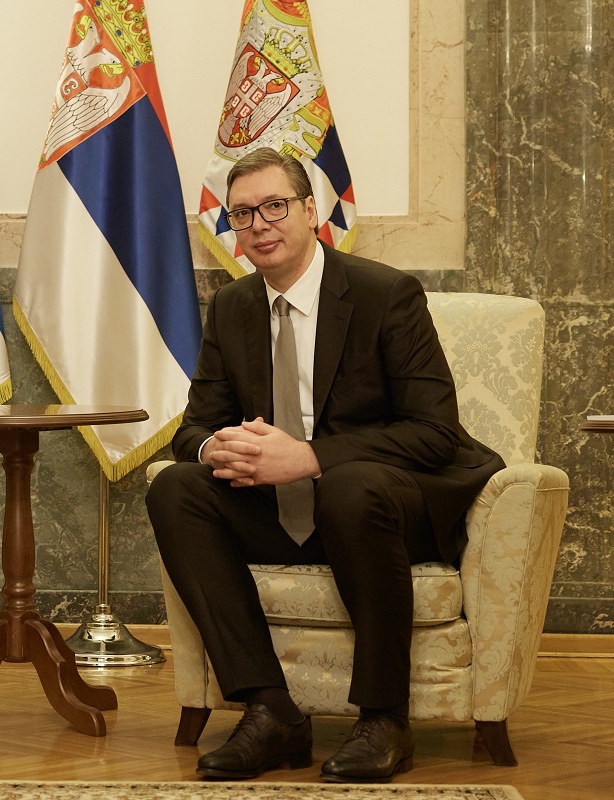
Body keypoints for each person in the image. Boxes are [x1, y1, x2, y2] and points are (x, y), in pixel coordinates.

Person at [147, 148, 504, 783]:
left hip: (385, 511)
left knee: (349, 485)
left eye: (274, 206)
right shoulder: (232, 307)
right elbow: (194, 428)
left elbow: (434, 433)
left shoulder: (384, 294)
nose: (259, 224)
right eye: (242, 213)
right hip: (285, 511)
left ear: (312, 211)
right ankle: (270, 710)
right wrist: (217, 450)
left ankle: (385, 719)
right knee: (177, 489)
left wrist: (308, 457)